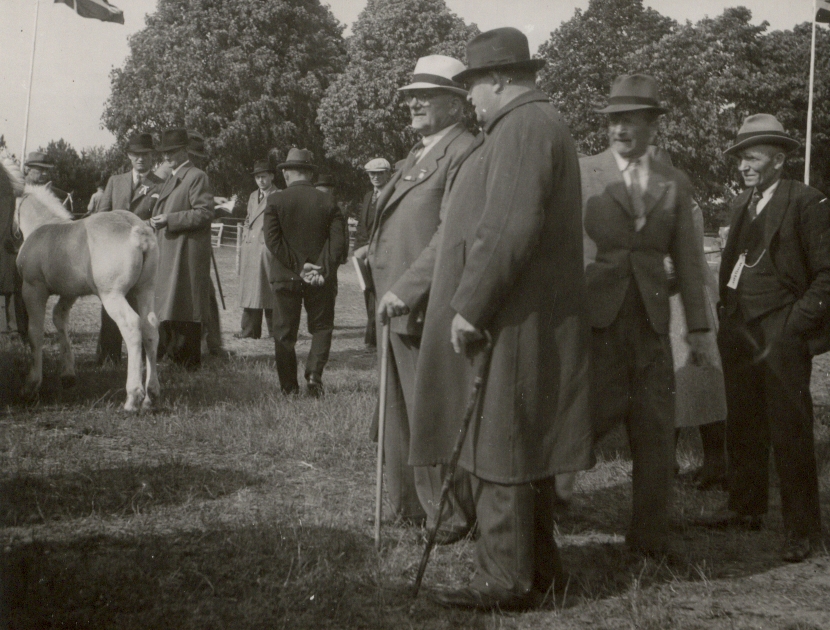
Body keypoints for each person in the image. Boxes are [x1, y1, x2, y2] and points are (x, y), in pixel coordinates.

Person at [410, 28, 593, 610]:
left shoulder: (524, 128)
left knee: (501, 445)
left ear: (496, 81)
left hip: (513, 318)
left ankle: (504, 580)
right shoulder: (532, 126)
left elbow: (508, 227)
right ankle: (543, 571)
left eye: (473, 87)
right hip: (521, 313)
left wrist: (471, 307)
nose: (471, 100)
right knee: (519, 442)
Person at [581, 74, 709, 558]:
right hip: (595, 324)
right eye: (614, 119)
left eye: (631, 120)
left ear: (654, 125)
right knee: (581, 424)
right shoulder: (581, 172)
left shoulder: (675, 182)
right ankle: (543, 512)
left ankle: (650, 536)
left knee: (657, 433)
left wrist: (697, 329)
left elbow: (691, 260)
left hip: (653, 327)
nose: (620, 129)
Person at [694, 114, 829, 562]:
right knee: (744, 423)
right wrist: (727, 316)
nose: (743, 168)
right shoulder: (740, 204)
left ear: (778, 159)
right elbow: (732, 263)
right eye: (741, 160)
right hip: (740, 331)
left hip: (781, 332)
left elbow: (827, 275)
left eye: (751, 159)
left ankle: (802, 530)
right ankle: (745, 508)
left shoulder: (806, 202)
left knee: (789, 429)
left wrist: (794, 326)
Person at [356, 55, 476, 535]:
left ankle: (447, 515)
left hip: (423, 304)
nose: (414, 103)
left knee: (431, 413)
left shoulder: (463, 151)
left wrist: (408, 288)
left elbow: (450, 234)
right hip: (393, 304)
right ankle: (406, 505)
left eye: (427, 95)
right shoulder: (415, 155)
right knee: (397, 409)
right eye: (410, 96)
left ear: (457, 103)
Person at [263, 148, 346, 397]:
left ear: (286, 173)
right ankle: (313, 376)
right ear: (310, 173)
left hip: (286, 276)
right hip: (320, 278)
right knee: (321, 327)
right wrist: (320, 268)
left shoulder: (275, 201)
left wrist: (300, 266)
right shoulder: (329, 202)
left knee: (284, 333)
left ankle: (289, 388)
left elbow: (273, 241)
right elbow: (338, 243)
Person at [94, 132, 165, 364]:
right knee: (112, 302)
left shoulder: (160, 185)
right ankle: (108, 355)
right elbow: (101, 216)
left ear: (152, 156)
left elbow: (159, 220)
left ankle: (145, 357)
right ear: (128, 156)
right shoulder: (115, 181)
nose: (141, 159)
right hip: (114, 257)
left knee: (141, 305)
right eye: (136, 154)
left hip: (143, 256)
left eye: (145, 154)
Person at [149, 128, 215, 369]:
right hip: (170, 248)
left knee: (185, 305)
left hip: (185, 250)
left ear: (185, 150)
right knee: (171, 303)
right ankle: (173, 355)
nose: (167, 157)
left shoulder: (196, 176)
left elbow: (205, 212)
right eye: (165, 153)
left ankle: (187, 360)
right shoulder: (172, 176)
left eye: (172, 152)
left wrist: (170, 219)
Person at [186, 130, 225, 358]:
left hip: (194, 243)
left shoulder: (192, 174)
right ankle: (211, 345)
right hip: (186, 245)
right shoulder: (172, 175)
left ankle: (212, 343)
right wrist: (213, 207)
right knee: (203, 296)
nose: (198, 161)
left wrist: (213, 201)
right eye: (195, 155)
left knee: (206, 294)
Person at [236, 160, 278, 339]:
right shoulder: (253, 195)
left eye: (263, 177)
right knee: (251, 290)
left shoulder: (279, 195)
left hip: (267, 248)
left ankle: (275, 331)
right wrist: (246, 234)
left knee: (268, 290)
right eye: (257, 177)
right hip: (251, 247)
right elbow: (248, 219)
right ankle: (249, 330)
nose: (260, 180)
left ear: (272, 177)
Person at [355, 158, 391, 348]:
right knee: (368, 293)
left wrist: (370, 249)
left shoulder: (393, 194)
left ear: (388, 174)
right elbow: (363, 225)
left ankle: (376, 338)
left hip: (383, 252)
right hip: (364, 254)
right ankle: (372, 337)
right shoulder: (369, 196)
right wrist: (358, 251)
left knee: (380, 293)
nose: (375, 177)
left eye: (379, 173)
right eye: (372, 174)